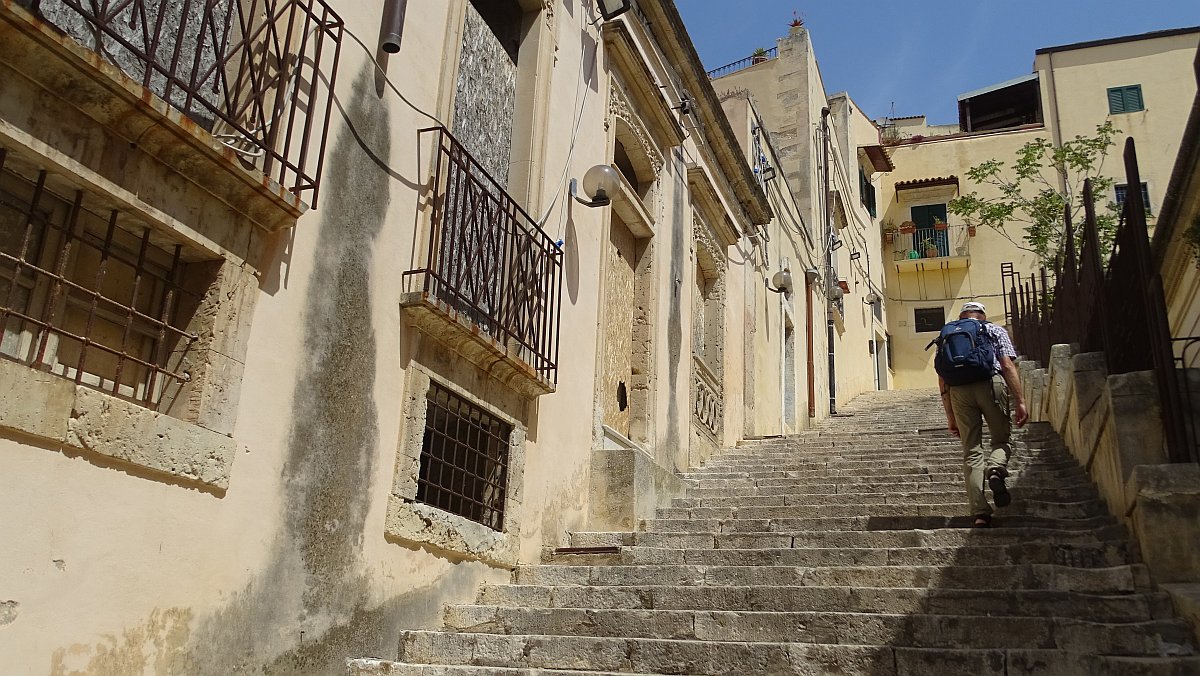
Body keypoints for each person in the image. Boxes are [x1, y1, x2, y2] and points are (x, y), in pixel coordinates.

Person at [938, 301, 1028, 528]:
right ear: (983, 315)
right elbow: (1007, 365)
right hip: (990, 384)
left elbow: (942, 377)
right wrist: (1020, 401)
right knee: (1001, 439)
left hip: (958, 391)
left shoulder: (947, 334)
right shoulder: (993, 329)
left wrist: (950, 416)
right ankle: (996, 468)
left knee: (971, 451)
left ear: (961, 317)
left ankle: (980, 513)